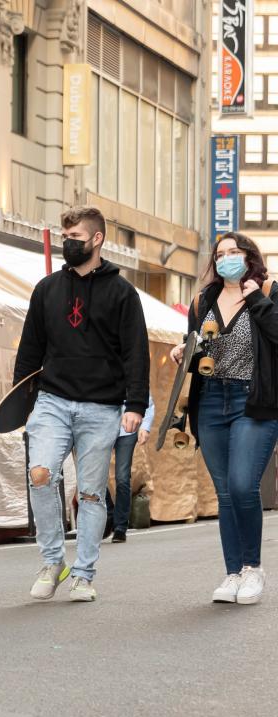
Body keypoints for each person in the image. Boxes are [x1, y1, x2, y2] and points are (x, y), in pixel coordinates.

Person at [14, 206, 150, 602]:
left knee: (90, 493)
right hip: (52, 400)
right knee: (40, 474)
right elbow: (29, 352)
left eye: (75, 237)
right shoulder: (47, 289)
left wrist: (135, 405)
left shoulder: (123, 293)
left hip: (102, 407)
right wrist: (22, 405)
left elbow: (135, 354)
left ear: (97, 239)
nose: (67, 242)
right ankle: (53, 561)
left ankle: (84, 574)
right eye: (64, 235)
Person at [170, 232, 278, 605]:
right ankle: (232, 573)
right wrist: (183, 351)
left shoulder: (269, 290)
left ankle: (253, 568)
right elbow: (198, 345)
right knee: (226, 493)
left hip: (253, 401)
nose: (227, 258)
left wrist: (256, 297)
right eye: (220, 254)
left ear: (250, 255)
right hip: (212, 400)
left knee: (243, 484)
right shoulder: (204, 300)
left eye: (234, 252)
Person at [105, 394, 155, 544]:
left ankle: (120, 526)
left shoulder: (131, 370)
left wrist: (145, 428)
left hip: (127, 429)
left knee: (122, 477)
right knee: (97, 477)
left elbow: (148, 401)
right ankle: (108, 514)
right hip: (100, 428)